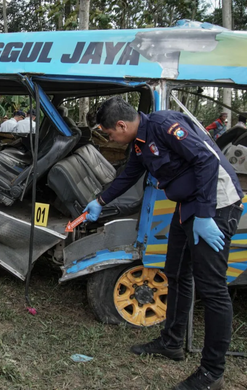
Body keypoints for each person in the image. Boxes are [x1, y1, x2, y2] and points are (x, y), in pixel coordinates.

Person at [84, 97, 243, 390]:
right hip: (188, 205)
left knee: (213, 289)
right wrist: (99, 201)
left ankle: (212, 373)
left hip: (215, 204)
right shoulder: (139, 142)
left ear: (121, 125)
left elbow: (206, 159)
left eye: (109, 134)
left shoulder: (163, 125)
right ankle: (172, 342)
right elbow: (130, 174)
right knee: (177, 272)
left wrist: (207, 215)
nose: (110, 138)